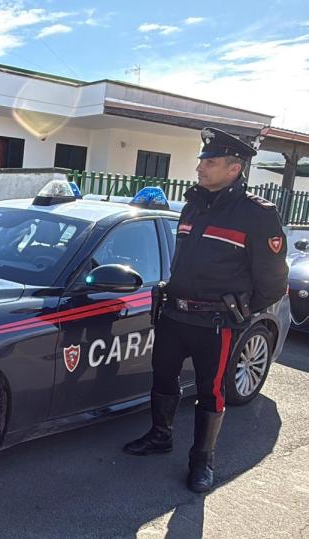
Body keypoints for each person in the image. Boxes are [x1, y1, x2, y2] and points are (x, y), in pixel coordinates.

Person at [123, 127, 288, 493]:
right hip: (174, 315)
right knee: (162, 378)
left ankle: (202, 461)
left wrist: (239, 312)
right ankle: (160, 436)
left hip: (215, 323)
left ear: (234, 168)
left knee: (210, 392)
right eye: (202, 161)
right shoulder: (193, 205)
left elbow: (274, 281)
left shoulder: (256, 214)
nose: (200, 168)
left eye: (209, 162)